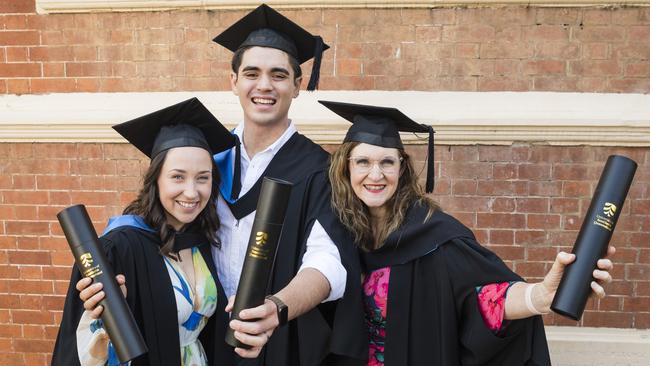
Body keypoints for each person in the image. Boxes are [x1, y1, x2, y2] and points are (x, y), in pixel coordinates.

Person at [322, 100, 616, 366]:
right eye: (363, 162)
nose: (376, 175)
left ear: (402, 169)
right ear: (345, 168)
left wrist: (538, 296)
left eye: (387, 162)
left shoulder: (434, 235)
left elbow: (488, 295)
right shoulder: (334, 230)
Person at [210, 4, 366, 365]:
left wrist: (276, 308)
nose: (264, 85)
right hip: (205, 339)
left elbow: (329, 262)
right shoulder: (207, 162)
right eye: (252, 73)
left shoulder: (319, 170)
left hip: (280, 342)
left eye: (278, 75)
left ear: (297, 86)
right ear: (233, 81)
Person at [52, 98, 237, 366]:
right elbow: (86, 344)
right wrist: (103, 313)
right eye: (177, 176)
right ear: (156, 179)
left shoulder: (200, 240)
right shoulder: (120, 245)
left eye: (202, 177)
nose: (191, 191)